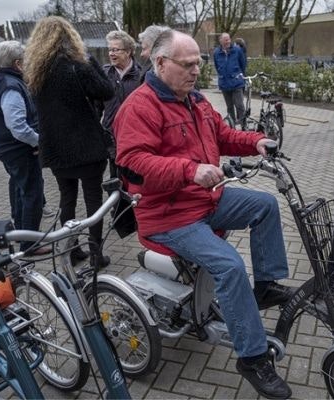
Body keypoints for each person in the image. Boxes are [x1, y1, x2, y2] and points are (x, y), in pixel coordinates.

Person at [114, 30, 293, 399]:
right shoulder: (140, 106)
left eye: (199, 62)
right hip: (168, 215)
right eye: (188, 64)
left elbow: (223, 134)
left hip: (206, 200)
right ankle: (252, 357)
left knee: (264, 206)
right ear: (161, 63)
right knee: (228, 265)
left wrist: (256, 141)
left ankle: (266, 285)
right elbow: (132, 160)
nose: (197, 70)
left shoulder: (194, 100)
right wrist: (189, 170)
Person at [24, 16, 114, 268]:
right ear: (71, 39)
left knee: (67, 199)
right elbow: (107, 91)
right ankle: (96, 254)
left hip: (56, 149)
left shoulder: (36, 74)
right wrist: (91, 59)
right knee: (94, 200)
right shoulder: (78, 67)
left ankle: (72, 250)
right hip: (87, 147)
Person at [0, 41, 47, 254]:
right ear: (18, 63)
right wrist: (39, 142)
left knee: (22, 191)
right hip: (18, 150)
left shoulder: (1, 79)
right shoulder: (11, 86)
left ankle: (21, 234)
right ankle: (29, 245)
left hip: (6, 148)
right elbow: (17, 126)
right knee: (32, 194)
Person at [100, 30, 142, 178]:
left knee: (135, 181)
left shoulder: (141, 76)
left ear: (129, 51)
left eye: (116, 50)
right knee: (115, 181)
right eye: (110, 50)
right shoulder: (103, 75)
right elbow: (96, 107)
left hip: (137, 137)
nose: (111, 53)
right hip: (112, 137)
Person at [213, 33, 246, 127]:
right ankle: (232, 128)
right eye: (226, 40)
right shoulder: (216, 53)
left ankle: (244, 126)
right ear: (221, 41)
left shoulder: (237, 50)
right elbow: (217, 66)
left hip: (236, 82)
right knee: (229, 107)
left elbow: (243, 64)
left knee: (239, 105)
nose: (228, 41)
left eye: (229, 39)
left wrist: (240, 75)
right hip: (224, 83)